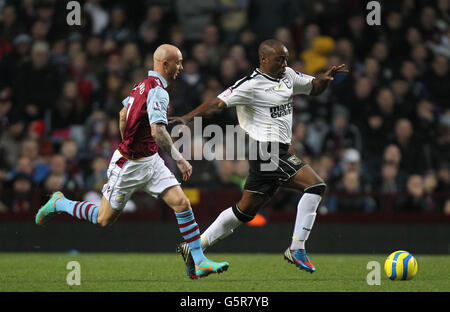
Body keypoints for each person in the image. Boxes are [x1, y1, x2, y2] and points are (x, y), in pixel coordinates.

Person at [35, 44, 229, 279]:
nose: (181, 66)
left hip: (151, 160)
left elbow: (122, 114)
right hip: (129, 164)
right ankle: (60, 203)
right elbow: (158, 131)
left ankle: (199, 260)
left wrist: (128, 136)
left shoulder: (140, 85)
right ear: (164, 64)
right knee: (103, 219)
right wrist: (179, 160)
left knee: (182, 203)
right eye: (178, 62)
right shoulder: (158, 91)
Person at [170, 39, 348, 277]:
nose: (284, 63)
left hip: (274, 152)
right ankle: (297, 248)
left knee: (244, 211)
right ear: (264, 59)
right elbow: (216, 104)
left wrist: (324, 81)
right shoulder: (250, 85)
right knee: (316, 186)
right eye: (279, 59)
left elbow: (313, 87)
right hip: (266, 151)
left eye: (286, 58)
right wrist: (187, 118)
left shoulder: (289, 76)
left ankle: (194, 247)